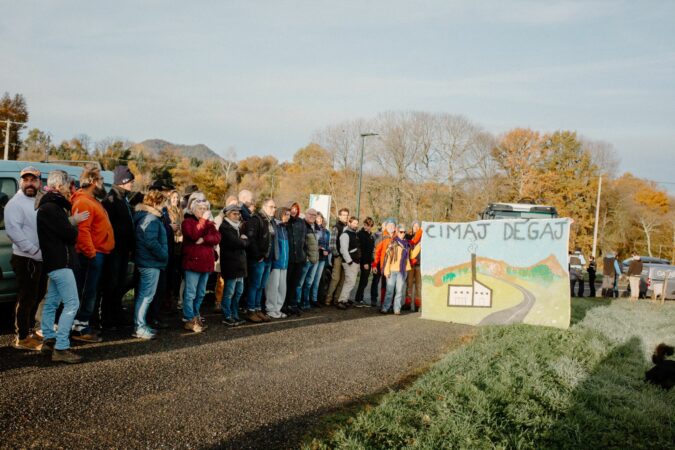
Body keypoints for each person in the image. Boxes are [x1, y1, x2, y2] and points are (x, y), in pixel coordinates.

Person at [37, 170, 89, 363]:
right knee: (72, 304)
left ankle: (49, 340)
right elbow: (69, 235)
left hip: (54, 262)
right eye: (68, 185)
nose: (70, 189)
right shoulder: (53, 207)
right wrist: (74, 223)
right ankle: (61, 347)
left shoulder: (47, 206)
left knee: (52, 302)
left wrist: (69, 222)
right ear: (59, 186)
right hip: (60, 261)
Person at [71, 164, 115, 342]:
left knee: (90, 291)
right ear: (93, 182)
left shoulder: (93, 200)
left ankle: (82, 324)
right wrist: (91, 253)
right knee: (86, 292)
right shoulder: (83, 201)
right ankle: (80, 327)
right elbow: (83, 231)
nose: (103, 185)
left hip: (98, 253)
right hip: (91, 255)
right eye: (101, 181)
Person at [5, 166, 48, 350]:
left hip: (38, 259)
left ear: (39, 182)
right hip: (25, 259)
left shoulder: (38, 201)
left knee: (36, 296)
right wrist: (33, 251)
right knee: (26, 297)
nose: (30, 183)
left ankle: (29, 332)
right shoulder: (15, 204)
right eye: (26, 180)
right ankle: (22, 338)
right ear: (21, 182)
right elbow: (14, 232)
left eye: (34, 180)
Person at [100, 165, 135, 330]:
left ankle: (116, 314)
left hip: (123, 250)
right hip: (114, 251)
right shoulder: (111, 199)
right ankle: (107, 318)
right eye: (130, 181)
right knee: (111, 284)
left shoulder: (124, 199)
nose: (132, 184)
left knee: (119, 284)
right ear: (123, 181)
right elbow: (109, 227)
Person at [132, 189, 168, 339]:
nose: (164, 206)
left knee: (144, 294)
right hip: (150, 263)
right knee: (146, 295)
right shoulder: (151, 219)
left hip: (146, 261)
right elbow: (150, 241)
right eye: (162, 203)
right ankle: (139, 327)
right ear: (155, 203)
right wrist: (164, 254)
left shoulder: (145, 217)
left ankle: (141, 325)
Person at [181, 198, 220, 332]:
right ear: (193, 209)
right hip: (193, 262)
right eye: (200, 208)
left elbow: (217, 237)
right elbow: (193, 234)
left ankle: (196, 315)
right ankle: (188, 318)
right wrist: (203, 221)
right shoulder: (187, 222)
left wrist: (204, 239)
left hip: (207, 263)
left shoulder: (210, 224)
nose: (203, 211)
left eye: (205, 209)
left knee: (201, 293)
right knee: (190, 293)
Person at [244, 198, 275, 323]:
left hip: (267, 259)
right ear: (264, 206)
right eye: (271, 207)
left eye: (275, 207)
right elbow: (251, 239)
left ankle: (257, 309)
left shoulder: (270, 221)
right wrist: (258, 256)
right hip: (259, 259)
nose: (274, 209)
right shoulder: (256, 219)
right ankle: (251, 310)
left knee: (261, 286)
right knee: (254, 285)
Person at [218, 204, 248, 326]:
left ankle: (235, 314)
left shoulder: (238, 227)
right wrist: (243, 241)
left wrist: (243, 241)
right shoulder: (224, 227)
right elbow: (236, 243)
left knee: (239, 291)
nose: (237, 216)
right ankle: (227, 315)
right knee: (229, 292)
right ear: (227, 214)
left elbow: (246, 241)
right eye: (234, 213)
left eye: (238, 213)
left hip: (240, 264)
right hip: (230, 264)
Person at [382, 224, 420, 315]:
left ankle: (397, 309)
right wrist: (386, 271)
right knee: (389, 291)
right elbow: (388, 259)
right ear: (397, 232)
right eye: (401, 232)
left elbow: (412, 255)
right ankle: (385, 308)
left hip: (402, 272)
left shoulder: (407, 245)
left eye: (404, 232)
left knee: (399, 292)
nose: (402, 233)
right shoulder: (393, 243)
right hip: (392, 271)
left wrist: (419, 246)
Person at [266, 206, 290, 319]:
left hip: (284, 264)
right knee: (272, 287)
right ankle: (270, 309)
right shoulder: (274, 226)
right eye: (286, 214)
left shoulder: (285, 228)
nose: (288, 217)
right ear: (280, 214)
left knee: (282, 288)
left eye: (289, 215)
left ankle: (277, 309)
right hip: (276, 262)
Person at [284, 201, 306, 315]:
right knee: (286, 282)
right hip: (288, 258)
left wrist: (303, 254)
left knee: (295, 283)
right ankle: (285, 305)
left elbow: (304, 239)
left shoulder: (301, 222)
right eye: (292, 208)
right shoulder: (285, 222)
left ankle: (292, 304)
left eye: (296, 209)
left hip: (299, 258)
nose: (294, 211)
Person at [325, 208, 350, 305]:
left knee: (343, 279)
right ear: (339, 216)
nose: (345, 217)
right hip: (338, 257)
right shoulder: (336, 227)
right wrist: (337, 255)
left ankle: (337, 299)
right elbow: (332, 244)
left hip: (347, 258)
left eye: (346, 215)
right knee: (335, 278)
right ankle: (328, 299)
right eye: (343, 215)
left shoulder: (348, 228)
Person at [336, 217, 360, 310]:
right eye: (354, 223)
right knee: (350, 282)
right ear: (349, 223)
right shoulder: (345, 235)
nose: (356, 225)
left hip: (355, 261)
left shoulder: (354, 234)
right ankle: (341, 301)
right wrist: (349, 261)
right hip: (350, 262)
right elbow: (343, 250)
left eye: (357, 223)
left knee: (350, 282)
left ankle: (345, 300)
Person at [298, 208, 320, 310]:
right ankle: (297, 303)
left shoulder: (313, 227)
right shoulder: (302, 225)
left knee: (308, 283)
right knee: (300, 283)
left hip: (314, 260)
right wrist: (305, 257)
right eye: (310, 214)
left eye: (314, 215)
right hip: (306, 260)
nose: (312, 216)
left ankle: (305, 302)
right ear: (305, 214)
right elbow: (301, 244)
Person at [373, 220, 396, 307]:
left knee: (393, 286)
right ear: (386, 227)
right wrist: (374, 264)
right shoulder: (382, 237)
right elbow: (377, 252)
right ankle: (383, 303)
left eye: (393, 225)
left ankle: (391, 304)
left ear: (395, 227)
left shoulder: (397, 237)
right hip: (384, 266)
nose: (391, 227)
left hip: (395, 266)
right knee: (385, 285)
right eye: (389, 225)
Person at [310, 212, 330, 307]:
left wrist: (327, 250)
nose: (320, 219)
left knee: (317, 280)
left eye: (321, 218)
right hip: (315, 257)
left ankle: (314, 299)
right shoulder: (313, 229)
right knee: (311, 279)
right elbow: (311, 243)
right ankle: (308, 299)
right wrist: (319, 247)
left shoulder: (326, 231)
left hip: (323, 258)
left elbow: (329, 245)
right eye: (318, 218)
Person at [354, 217, 375, 307]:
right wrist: (365, 263)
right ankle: (358, 299)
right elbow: (363, 250)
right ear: (364, 224)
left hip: (368, 261)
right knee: (363, 281)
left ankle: (360, 298)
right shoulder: (361, 234)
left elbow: (370, 250)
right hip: (364, 261)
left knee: (365, 280)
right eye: (366, 225)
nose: (368, 227)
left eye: (370, 226)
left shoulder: (370, 235)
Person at [405, 221, 423, 311]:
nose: (416, 227)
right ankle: (407, 303)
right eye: (414, 226)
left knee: (418, 286)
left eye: (417, 226)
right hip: (410, 264)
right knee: (409, 284)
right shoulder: (408, 236)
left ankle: (417, 304)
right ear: (412, 227)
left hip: (419, 264)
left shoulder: (423, 237)